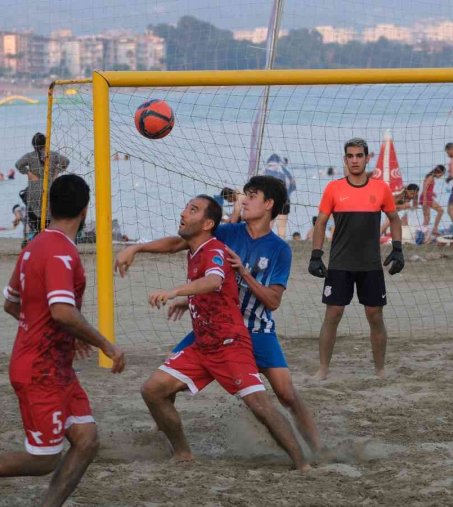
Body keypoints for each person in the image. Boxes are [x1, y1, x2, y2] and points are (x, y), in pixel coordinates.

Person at [0, 174, 126, 506]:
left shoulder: (33, 246)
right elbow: (62, 311)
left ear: (49, 207)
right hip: (40, 370)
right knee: (43, 460)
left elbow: (12, 303)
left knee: (87, 440)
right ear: (85, 209)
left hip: (53, 367)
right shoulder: (62, 254)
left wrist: (65, 332)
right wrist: (104, 344)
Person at [116, 175, 323, 455]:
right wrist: (137, 248)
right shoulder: (227, 232)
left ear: (268, 204)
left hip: (257, 330)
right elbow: (180, 244)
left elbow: (273, 301)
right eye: (245, 195)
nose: (244, 200)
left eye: (252, 196)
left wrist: (244, 274)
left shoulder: (279, 249)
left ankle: (317, 448)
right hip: (216, 327)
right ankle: (165, 438)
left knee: (286, 394)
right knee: (162, 384)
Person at [309, 138, 403, 380]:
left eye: (359, 156)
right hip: (340, 263)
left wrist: (398, 248)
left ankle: (380, 369)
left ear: (366, 158)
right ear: (345, 159)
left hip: (370, 265)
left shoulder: (381, 188)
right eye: (350, 156)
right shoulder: (333, 188)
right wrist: (316, 255)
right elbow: (320, 223)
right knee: (333, 314)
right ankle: (323, 370)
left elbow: (394, 218)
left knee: (374, 315)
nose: (354, 160)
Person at [16, 132, 70, 234]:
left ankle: (38, 232)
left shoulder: (29, 156)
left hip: (35, 191)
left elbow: (18, 164)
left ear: (33, 145)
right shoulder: (53, 155)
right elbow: (66, 161)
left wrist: (29, 173)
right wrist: (56, 172)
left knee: (36, 215)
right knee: (50, 214)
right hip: (50, 189)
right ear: (46, 143)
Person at [263, 154, 297, 238]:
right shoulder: (285, 171)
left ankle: (266, 242)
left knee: (269, 223)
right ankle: (281, 242)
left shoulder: (264, 171)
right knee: (282, 226)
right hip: (284, 199)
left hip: (269, 199)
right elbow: (293, 186)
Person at [420, 165, 445, 240]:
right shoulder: (430, 177)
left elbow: (428, 188)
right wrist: (424, 200)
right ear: (439, 172)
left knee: (427, 217)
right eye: (441, 174)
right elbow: (424, 188)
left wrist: (432, 193)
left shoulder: (431, 177)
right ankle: (430, 231)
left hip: (428, 197)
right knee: (438, 212)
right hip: (426, 198)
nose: (441, 176)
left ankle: (426, 233)